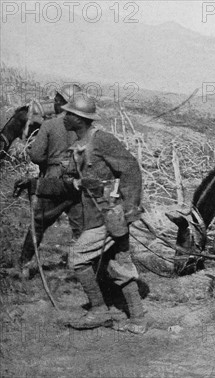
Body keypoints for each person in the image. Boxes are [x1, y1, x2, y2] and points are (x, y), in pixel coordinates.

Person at [14, 93, 147, 334]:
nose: (63, 118)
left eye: (69, 115)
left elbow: (131, 169)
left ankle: (99, 310)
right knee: (117, 263)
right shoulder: (78, 147)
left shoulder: (103, 141)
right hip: (98, 217)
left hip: (109, 215)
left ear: (80, 119)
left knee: (77, 257)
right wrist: (34, 184)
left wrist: (128, 208)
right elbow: (69, 185)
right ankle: (137, 319)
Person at [17, 84, 84, 278]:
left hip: (53, 181)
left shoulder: (50, 125)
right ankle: (82, 268)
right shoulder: (84, 127)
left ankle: (25, 265)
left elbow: (37, 156)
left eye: (57, 100)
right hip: (77, 181)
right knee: (80, 227)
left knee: (38, 223)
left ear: (65, 104)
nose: (54, 103)